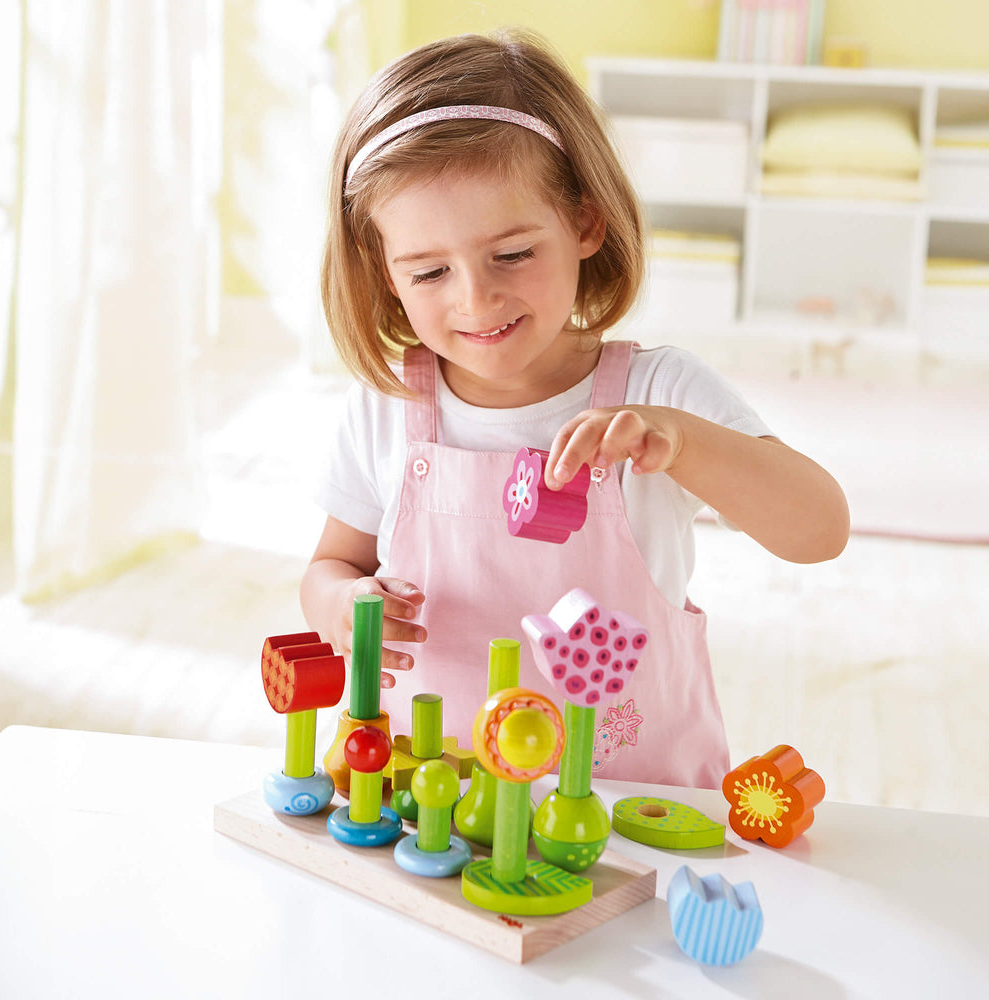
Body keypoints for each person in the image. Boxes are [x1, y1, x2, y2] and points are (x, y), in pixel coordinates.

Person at [300, 29, 849, 788]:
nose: (476, 297)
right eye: (429, 271)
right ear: (385, 274)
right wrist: (339, 603)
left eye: (513, 254)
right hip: (432, 800)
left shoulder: (659, 394)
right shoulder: (386, 407)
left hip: (631, 805)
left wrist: (684, 442)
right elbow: (335, 562)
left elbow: (819, 530)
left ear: (585, 223)